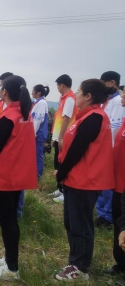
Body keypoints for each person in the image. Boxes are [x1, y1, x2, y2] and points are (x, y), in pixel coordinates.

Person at [54, 79, 115, 281]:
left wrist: (61, 172)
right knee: (72, 222)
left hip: (85, 180)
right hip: (75, 179)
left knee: (80, 224)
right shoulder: (86, 116)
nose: (76, 95)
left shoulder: (94, 117)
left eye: (79, 92)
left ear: (88, 96)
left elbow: (77, 150)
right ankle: (75, 260)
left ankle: (80, 268)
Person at [0, 76, 37, 280]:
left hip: (5, 174)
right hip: (16, 173)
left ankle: (12, 269)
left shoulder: (9, 116)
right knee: (11, 220)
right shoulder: (24, 113)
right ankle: (9, 258)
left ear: (4, 92)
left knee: (7, 222)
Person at [97, 71, 123, 229]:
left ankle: (107, 217)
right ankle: (102, 214)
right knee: (102, 184)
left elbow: (115, 129)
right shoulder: (106, 101)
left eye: (104, 83)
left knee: (108, 186)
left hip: (111, 151)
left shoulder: (119, 102)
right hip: (103, 150)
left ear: (112, 82)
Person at [50, 75, 79, 203]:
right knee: (57, 162)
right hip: (59, 136)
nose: (57, 88)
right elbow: (59, 119)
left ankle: (64, 191)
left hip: (65, 137)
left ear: (62, 85)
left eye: (57, 85)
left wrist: (61, 137)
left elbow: (66, 118)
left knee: (62, 163)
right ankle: (59, 187)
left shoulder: (70, 99)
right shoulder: (63, 99)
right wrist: (55, 137)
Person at [108, 89, 125, 278]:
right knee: (119, 223)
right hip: (118, 185)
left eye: (124, 93)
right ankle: (120, 264)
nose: (122, 96)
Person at [32, 85, 50, 179]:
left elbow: (38, 120)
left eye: (33, 90)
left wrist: (33, 133)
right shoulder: (37, 102)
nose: (32, 92)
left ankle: (38, 175)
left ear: (38, 92)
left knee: (38, 154)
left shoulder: (42, 103)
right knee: (35, 154)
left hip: (38, 133)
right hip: (37, 132)